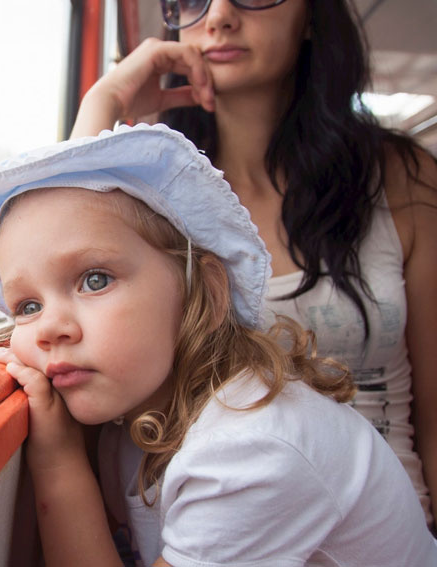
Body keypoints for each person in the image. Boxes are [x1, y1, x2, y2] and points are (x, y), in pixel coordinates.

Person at [0, 124, 437, 566]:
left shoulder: (251, 443)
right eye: (26, 306)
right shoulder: (132, 426)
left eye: (95, 279)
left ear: (204, 291)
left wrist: (58, 461)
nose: (50, 327)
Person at [69, 0, 437, 527]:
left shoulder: (400, 177)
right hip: (217, 533)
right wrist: (106, 100)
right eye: (194, 0)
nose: (218, 16)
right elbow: (61, 270)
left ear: (311, 16)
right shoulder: (146, 193)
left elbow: (434, 406)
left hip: (389, 534)